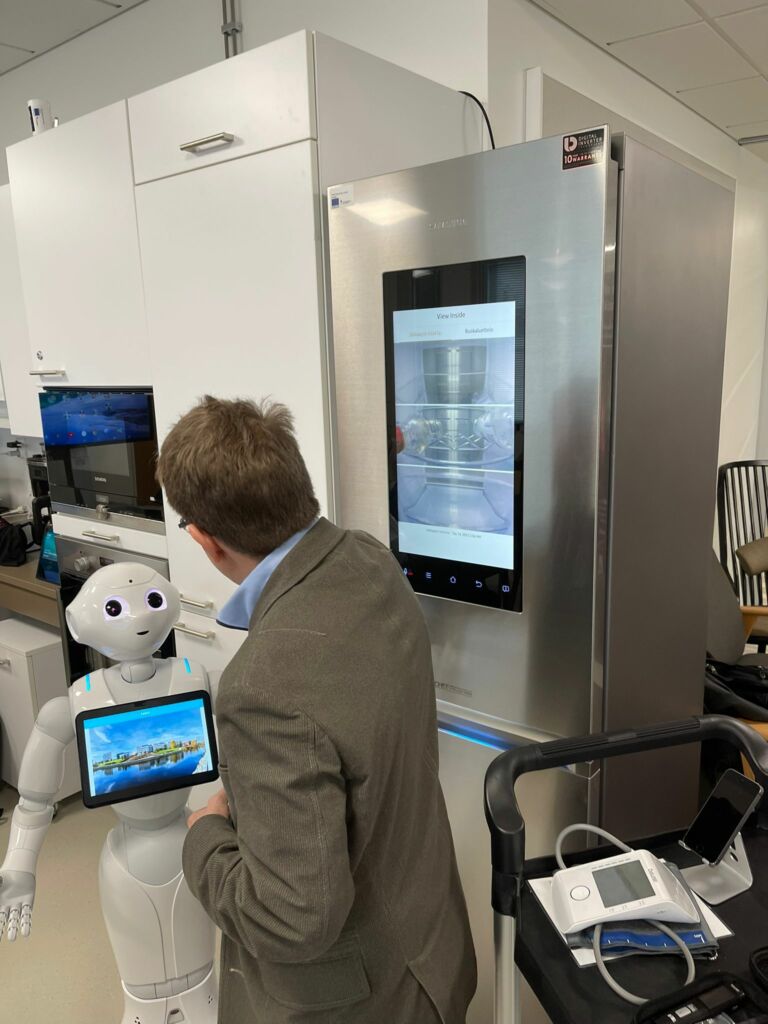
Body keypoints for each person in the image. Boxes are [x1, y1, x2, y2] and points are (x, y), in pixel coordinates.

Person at [156, 396, 477, 1024]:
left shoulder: (261, 689)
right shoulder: (370, 560)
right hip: (431, 941)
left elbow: (292, 919)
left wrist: (205, 839)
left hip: (366, 997)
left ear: (204, 540)